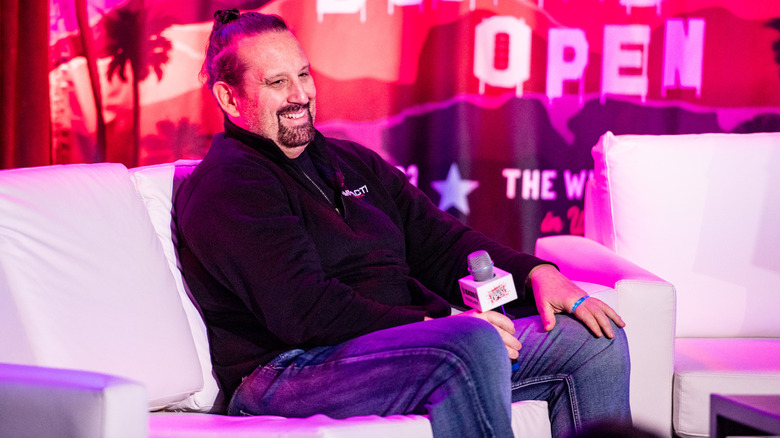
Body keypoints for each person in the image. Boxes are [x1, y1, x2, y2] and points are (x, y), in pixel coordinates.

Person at [174, 9, 631, 438]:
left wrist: (538, 273)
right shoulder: (229, 184)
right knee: (467, 343)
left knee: (594, 338)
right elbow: (307, 312)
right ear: (228, 96)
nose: (300, 95)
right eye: (277, 82)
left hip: (402, 350)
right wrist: (442, 323)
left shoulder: (349, 160)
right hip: (287, 371)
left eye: (304, 74)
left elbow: (440, 243)